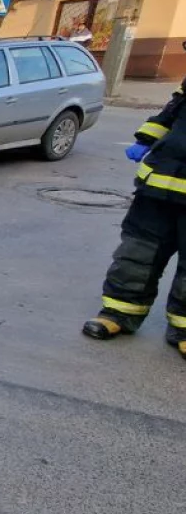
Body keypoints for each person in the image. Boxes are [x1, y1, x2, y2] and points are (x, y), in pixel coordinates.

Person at [82, 79, 186, 361]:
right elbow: (169, 116)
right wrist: (145, 140)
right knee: (136, 254)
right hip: (158, 189)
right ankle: (119, 313)